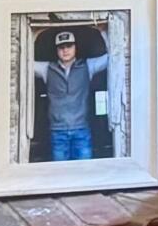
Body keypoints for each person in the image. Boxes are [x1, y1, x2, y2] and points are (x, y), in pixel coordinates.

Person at [31, 25, 112, 162]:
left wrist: (103, 31)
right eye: (61, 47)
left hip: (82, 130)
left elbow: (112, 57)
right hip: (58, 132)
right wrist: (33, 35)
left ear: (75, 48)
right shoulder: (47, 69)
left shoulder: (88, 66)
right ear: (57, 50)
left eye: (69, 46)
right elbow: (25, 62)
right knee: (61, 174)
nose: (65, 50)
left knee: (85, 172)